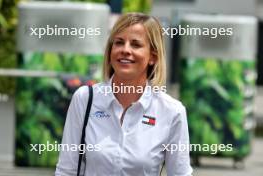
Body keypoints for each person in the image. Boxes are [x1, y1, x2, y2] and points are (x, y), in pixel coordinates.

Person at [55, 12, 193, 176]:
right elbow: (66, 170)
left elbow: (180, 173)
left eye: (135, 44)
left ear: (153, 57)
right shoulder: (84, 99)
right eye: (119, 42)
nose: (125, 50)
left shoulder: (172, 111)